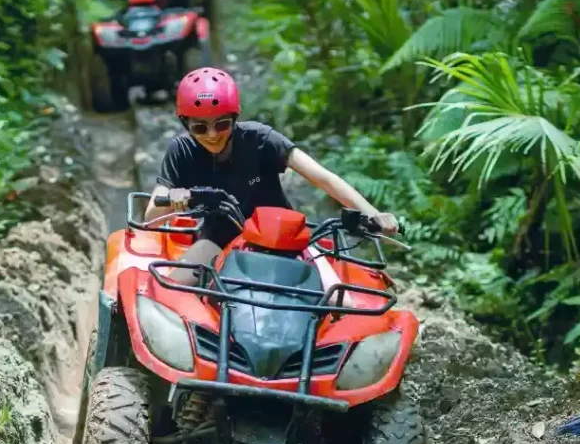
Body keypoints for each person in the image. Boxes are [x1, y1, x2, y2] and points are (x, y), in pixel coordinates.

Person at [144, 67, 400, 284]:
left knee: (340, 302)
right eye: (200, 127)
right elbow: (150, 218)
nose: (212, 135)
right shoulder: (181, 150)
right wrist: (173, 198)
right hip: (218, 240)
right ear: (186, 124)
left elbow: (324, 178)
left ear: (234, 118)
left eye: (221, 124)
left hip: (285, 238)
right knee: (170, 291)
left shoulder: (260, 139)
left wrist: (372, 212)